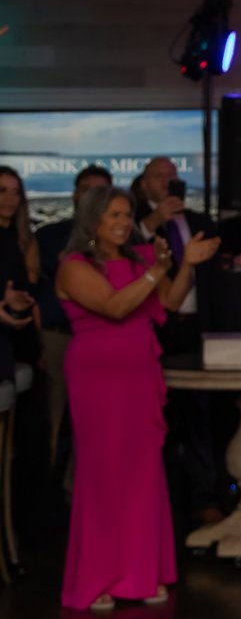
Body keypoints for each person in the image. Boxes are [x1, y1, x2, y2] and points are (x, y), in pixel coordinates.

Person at [56, 185, 219, 610]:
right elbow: (114, 307)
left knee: (143, 473)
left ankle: (141, 574)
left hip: (140, 377)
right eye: (115, 215)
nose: (125, 222)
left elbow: (171, 301)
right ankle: (97, 579)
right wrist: (153, 271)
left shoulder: (141, 259)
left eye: (127, 215)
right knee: (103, 475)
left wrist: (186, 266)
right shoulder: (73, 267)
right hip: (97, 381)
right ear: (93, 220)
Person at [131, 157, 222, 526]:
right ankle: (162, 503)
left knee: (201, 414)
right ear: (145, 185)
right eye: (159, 176)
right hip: (157, 330)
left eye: (173, 175)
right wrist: (153, 222)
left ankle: (205, 499)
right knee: (159, 418)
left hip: (196, 326)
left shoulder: (199, 223)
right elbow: (125, 253)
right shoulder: (136, 223)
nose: (168, 182)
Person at [36, 165, 112, 467]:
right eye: (86, 190)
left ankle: (78, 493)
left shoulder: (119, 243)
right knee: (51, 421)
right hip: (57, 339)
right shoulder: (48, 236)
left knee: (95, 427)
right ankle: (45, 500)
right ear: (74, 195)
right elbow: (34, 290)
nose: (92, 198)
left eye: (100, 191)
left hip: (103, 343)